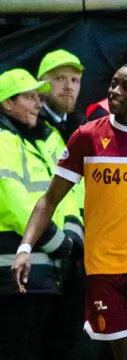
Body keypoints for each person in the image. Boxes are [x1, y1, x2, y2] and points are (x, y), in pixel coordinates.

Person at [12, 63, 127, 360]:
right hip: (104, 268)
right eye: (114, 84)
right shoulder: (87, 136)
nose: (115, 91)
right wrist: (25, 248)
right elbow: (49, 199)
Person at [0, 68, 84, 360]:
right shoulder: (3, 139)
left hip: (52, 269)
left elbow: (73, 190)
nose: (38, 103)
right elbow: (10, 196)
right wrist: (52, 238)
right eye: (29, 97)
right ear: (7, 103)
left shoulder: (48, 138)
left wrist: (74, 230)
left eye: (38, 96)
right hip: (13, 268)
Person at [37, 49, 86, 142]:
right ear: (40, 83)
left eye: (74, 80)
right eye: (60, 78)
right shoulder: (28, 126)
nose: (69, 86)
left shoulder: (84, 125)